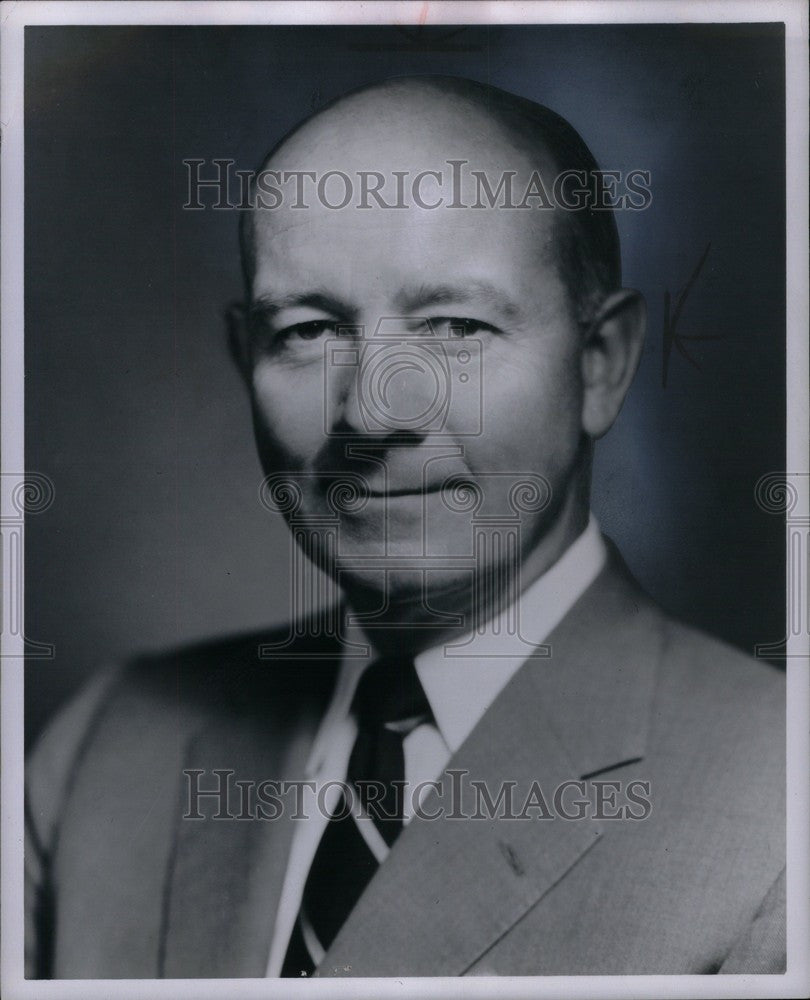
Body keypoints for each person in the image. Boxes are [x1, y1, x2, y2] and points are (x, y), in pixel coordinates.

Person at [25, 76, 785, 979]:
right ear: (244, 361)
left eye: (455, 325)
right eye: (307, 331)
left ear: (600, 365)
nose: (372, 413)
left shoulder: (779, 804)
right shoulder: (108, 746)